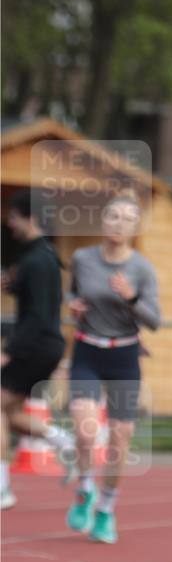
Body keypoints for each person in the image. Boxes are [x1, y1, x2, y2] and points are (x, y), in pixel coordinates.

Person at [65, 189, 160, 543]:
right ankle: (85, 488)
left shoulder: (141, 268)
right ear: (103, 221)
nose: (118, 224)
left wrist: (130, 298)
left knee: (120, 440)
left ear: (135, 227)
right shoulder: (82, 258)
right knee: (86, 432)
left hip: (124, 356)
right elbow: (71, 293)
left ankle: (106, 509)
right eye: (113, 216)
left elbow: (154, 321)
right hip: (87, 351)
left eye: (127, 219)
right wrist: (72, 305)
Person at [1, 189, 75, 509]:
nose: (10, 224)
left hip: (36, 344)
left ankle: (3, 488)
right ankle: (64, 441)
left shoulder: (37, 260)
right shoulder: (41, 254)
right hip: (43, 345)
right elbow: (35, 297)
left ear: (29, 218)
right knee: (10, 410)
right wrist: (13, 285)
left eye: (14, 218)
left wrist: (9, 350)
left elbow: (40, 314)